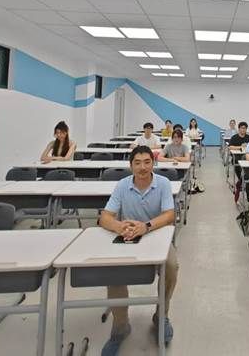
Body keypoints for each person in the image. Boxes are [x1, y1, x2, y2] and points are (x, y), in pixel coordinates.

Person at [99, 146, 178, 354]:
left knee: (172, 266)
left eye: (147, 162)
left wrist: (146, 226)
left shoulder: (163, 183)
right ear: (131, 165)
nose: (142, 167)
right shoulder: (122, 185)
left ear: (153, 163)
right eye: (137, 163)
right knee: (113, 269)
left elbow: (169, 215)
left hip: (156, 234)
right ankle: (120, 326)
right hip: (128, 236)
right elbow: (105, 217)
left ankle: (161, 315)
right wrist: (119, 226)